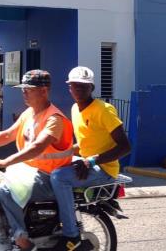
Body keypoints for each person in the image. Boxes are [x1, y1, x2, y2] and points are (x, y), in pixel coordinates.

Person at [0, 70, 73, 251]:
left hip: (47, 177)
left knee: (5, 190)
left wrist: (5, 162)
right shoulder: (30, 113)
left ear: (44, 91)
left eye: (28, 89)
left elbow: (37, 147)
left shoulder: (55, 119)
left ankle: (21, 239)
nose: (24, 92)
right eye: (23, 89)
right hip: (29, 172)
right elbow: (7, 135)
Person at [50, 66, 132, 251]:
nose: (79, 89)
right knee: (46, 172)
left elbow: (125, 146)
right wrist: (56, 154)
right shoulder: (74, 109)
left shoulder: (104, 110)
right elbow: (85, 144)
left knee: (59, 177)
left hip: (104, 169)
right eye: (75, 86)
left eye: (84, 86)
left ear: (92, 88)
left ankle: (71, 235)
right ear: (69, 88)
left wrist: (92, 161)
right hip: (87, 164)